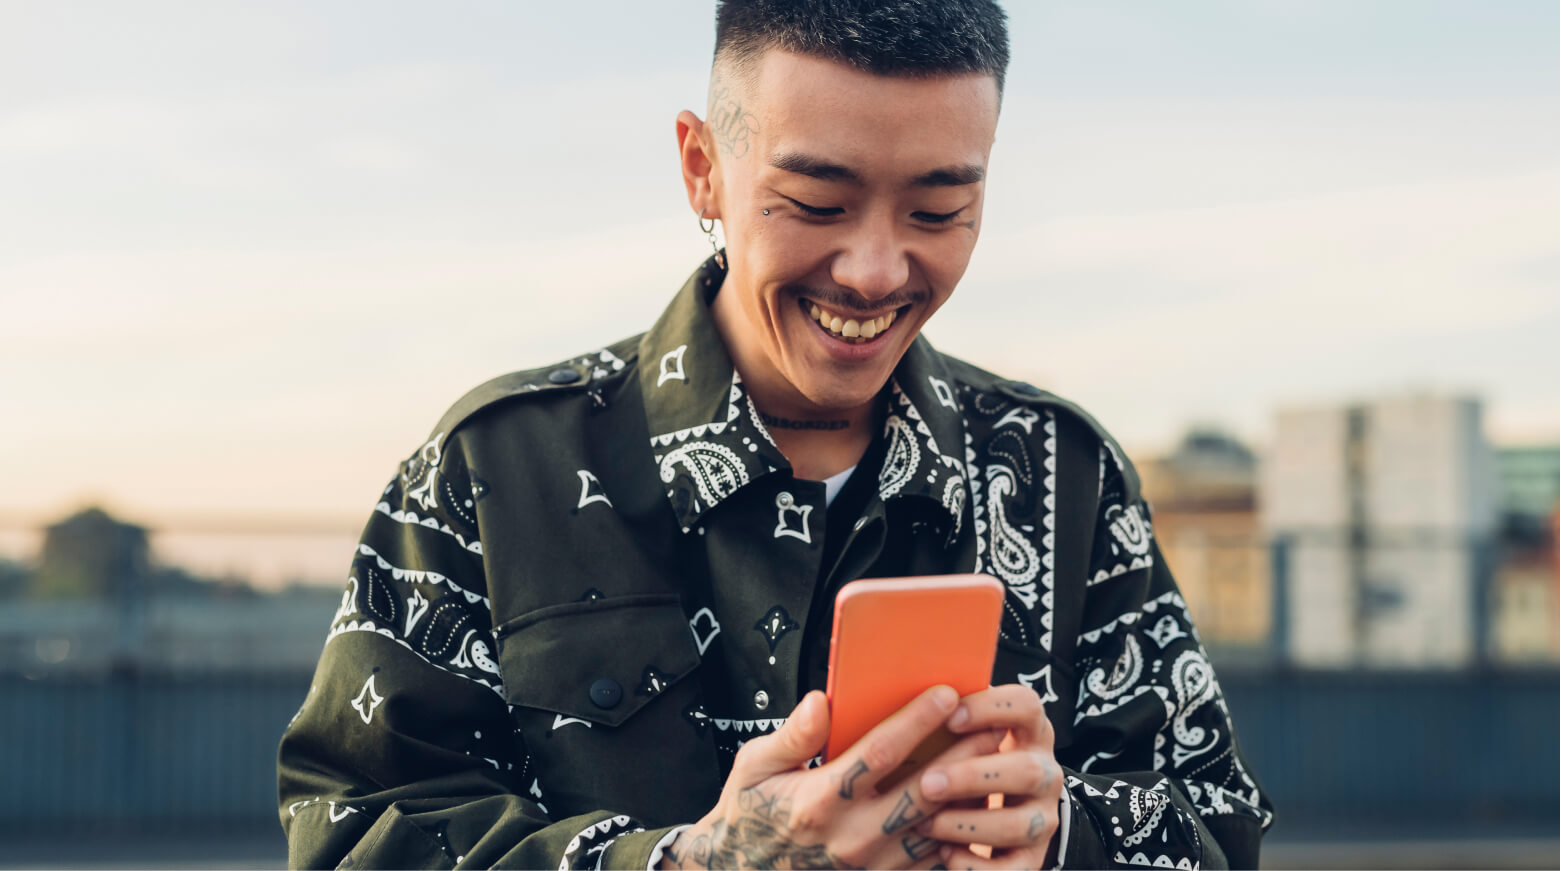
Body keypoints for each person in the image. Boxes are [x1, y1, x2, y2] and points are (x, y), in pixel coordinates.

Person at [277, 1, 1275, 868]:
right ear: (701, 169)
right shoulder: (494, 469)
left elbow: (1217, 825)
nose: (877, 271)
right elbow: (350, 829)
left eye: (939, 209)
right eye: (817, 204)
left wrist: (1058, 836)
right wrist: (684, 863)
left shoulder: (1063, 475)